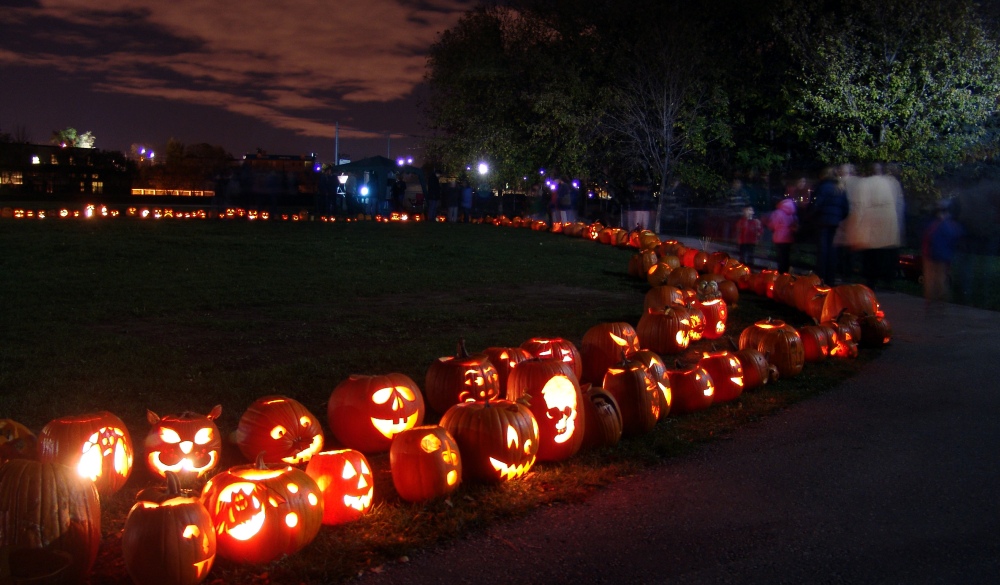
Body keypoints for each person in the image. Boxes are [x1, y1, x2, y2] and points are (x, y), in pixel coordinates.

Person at [809, 166, 850, 285]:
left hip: (822, 220)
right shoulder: (840, 188)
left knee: (822, 249)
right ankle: (830, 278)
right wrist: (838, 217)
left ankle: (821, 277)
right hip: (834, 222)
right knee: (832, 249)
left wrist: (811, 216)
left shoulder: (822, 187)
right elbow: (846, 208)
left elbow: (816, 204)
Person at [922, 199, 963, 314]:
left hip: (930, 255)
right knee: (941, 279)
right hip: (944, 256)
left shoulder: (931, 224)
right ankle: (941, 304)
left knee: (930, 279)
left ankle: (929, 303)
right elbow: (956, 236)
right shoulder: (951, 225)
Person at [766, 197, 798, 273]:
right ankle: (786, 273)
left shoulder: (777, 213)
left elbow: (773, 224)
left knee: (780, 257)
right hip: (789, 238)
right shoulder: (792, 213)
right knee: (786, 256)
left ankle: (781, 274)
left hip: (779, 238)